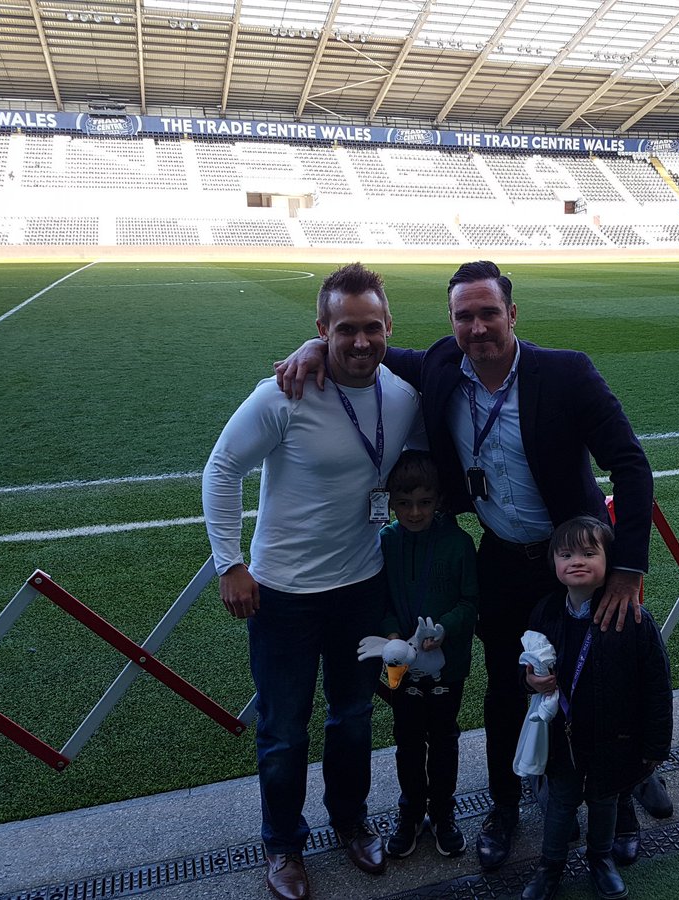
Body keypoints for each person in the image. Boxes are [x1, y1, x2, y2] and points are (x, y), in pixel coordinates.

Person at [275, 260, 655, 873]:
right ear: (451, 323)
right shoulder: (443, 366)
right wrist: (315, 344)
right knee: (506, 691)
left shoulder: (566, 372)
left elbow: (632, 467)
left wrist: (628, 568)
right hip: (503, 560)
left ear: (512, 314)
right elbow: (371, 347)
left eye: (488, 313)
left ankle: (616, 803)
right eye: (463, 316)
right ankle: (504, 807)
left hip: (575, 562)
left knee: (590, 685)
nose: (477, 327)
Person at [203, 263, 423, 899]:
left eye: (372, 328)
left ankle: (350, 824)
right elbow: (222, 470)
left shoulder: (403, 397)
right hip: (284, 598)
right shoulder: (283, 393)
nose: (360, 342)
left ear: (389, 328)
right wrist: (230, 563)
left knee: (353, 716)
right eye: (345, 329)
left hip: (361, 587)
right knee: (283, 728)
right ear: (321, 329)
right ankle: (283, 845)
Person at [520, 516, 673, 900]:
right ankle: (549, 866)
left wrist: (654, 748)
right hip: (563, 738)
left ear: (610, 561)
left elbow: (657, 686)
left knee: (604, 802)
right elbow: (529, 665)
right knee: (560, 803)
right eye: (566, 553)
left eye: (590, 553)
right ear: (553, 562)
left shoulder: (634, 617)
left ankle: (600, 859)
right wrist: (530, 681)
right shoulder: (546, 611)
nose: (577, 561)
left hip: (613, 736)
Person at [378, 450, 477, 860]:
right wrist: (392, 633)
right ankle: (410, 813)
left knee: (444, 739)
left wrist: (445, 630)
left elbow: (472, 603)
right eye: (403, 504)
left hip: (447, 667)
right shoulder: (386, 542)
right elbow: (379, 598)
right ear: (390, 503)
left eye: (424, 502)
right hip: (402, 667)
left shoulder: (459, 544)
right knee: (406, 740)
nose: (414, 512)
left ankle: (443, 813)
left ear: (438, 500)